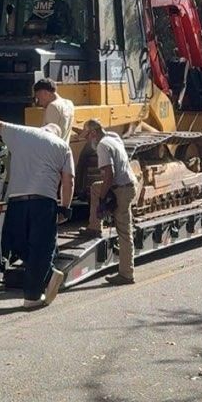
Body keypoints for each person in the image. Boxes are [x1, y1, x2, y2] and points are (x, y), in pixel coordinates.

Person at [0, 119, 74, 309]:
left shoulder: (22, 133)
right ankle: (32, 296)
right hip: (44, 202)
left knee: (16, 244)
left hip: (17, 201)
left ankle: (48, 275)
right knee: (41, 248)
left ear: (42, 128)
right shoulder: (63, 146)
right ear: (57, 134)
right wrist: (65, 207)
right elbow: (68, 180)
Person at [81, 118, 138, 285]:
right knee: (95, 187)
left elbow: (109, 174)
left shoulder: (102, 146)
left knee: (124, 231)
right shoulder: (113, 137)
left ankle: (126, 274)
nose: (86, 140)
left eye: (87, 136)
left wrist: (103, 198)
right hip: (126, 184)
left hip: (121, 189)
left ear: (93, 133)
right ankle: (94, 226)